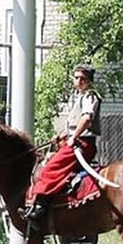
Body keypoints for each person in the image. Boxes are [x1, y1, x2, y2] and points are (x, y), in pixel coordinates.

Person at [25, 64, 101, 229]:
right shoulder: (77, 97)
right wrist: (62, 135)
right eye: (77, 78)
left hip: (82, 144)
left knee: (50, 169)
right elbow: (74, 123)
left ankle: (40, 209)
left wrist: (72, 137)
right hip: (74, 140)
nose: (79, 81)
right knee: (47, 162)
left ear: (89, 81)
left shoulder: (90, 96)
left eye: (83, 79)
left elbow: (87, 119)